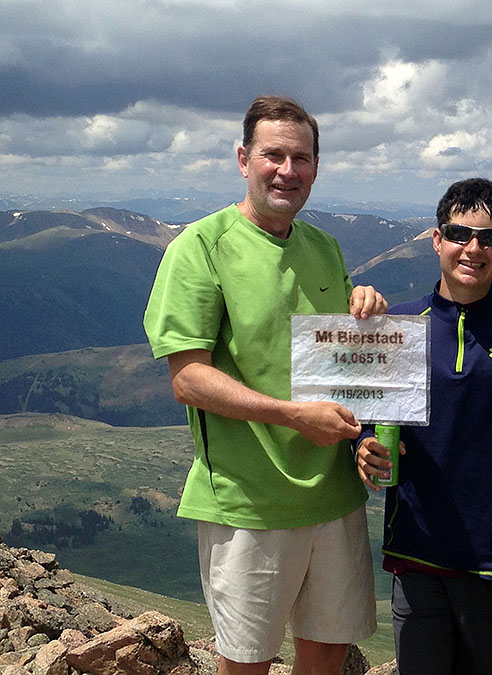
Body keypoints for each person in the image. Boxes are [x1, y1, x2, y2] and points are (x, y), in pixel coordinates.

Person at [143, 95, 387, 675]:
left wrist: (365, 307)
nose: (287, 170)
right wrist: (294, 416)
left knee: (329, 650)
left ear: (316, 168)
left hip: (333, 495)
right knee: (247, 660)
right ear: (243, 159)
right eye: (273, 154)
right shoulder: (200, 247)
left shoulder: (324, 248)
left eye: (301, 158)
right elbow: (189, 379)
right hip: (247, 500)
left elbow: (342, 368)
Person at [356, 178, 492, 674]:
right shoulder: (396, 326)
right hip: (416, 554)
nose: (473, 248)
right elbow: (362, 418)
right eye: (460, 233)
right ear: (437, 240)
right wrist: (364, 442)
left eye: (491, 238)